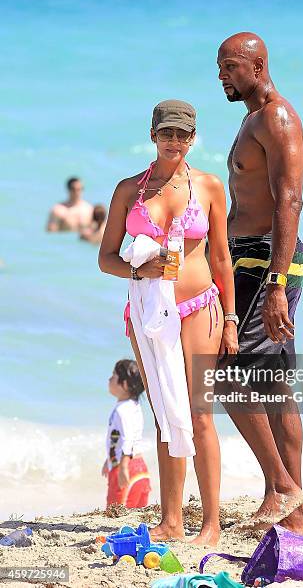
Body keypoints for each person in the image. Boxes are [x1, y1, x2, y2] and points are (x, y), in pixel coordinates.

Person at [98, 100, 238, 545]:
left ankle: (212, 524)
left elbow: (220, 257)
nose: (174, 141)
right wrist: (140, 270)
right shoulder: (129, 190)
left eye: (183, 134)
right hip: (146, 313)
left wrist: (231, 319)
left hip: (199, 308)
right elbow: (106, 259)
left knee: (199, 414)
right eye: (166, 133)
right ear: (153, 134)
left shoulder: (210, 186)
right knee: (163, 414)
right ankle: (172, 519)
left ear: (193, 138)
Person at [217, 33, 303, 535]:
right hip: (248, 258)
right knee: (276, 390)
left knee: (227, 374)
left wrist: (275, 283)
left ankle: (281, 486)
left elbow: (288, 200)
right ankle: (297, 525)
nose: (222, 76)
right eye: (219, 68)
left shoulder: (277, 116)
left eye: (230, 66)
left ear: (257, 64)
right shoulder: (252, 118)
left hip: (266, 260)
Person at [102, 359, 151, 509]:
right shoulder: (134, 407)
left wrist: (123, 465)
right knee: (134, 514)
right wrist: (109, 460)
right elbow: (117, 438)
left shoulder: (122, 410)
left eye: (114, 376)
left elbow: (127, 438)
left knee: (116, 512)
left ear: (124, 385)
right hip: (140, 467)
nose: (109, 379)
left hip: (126, 467)